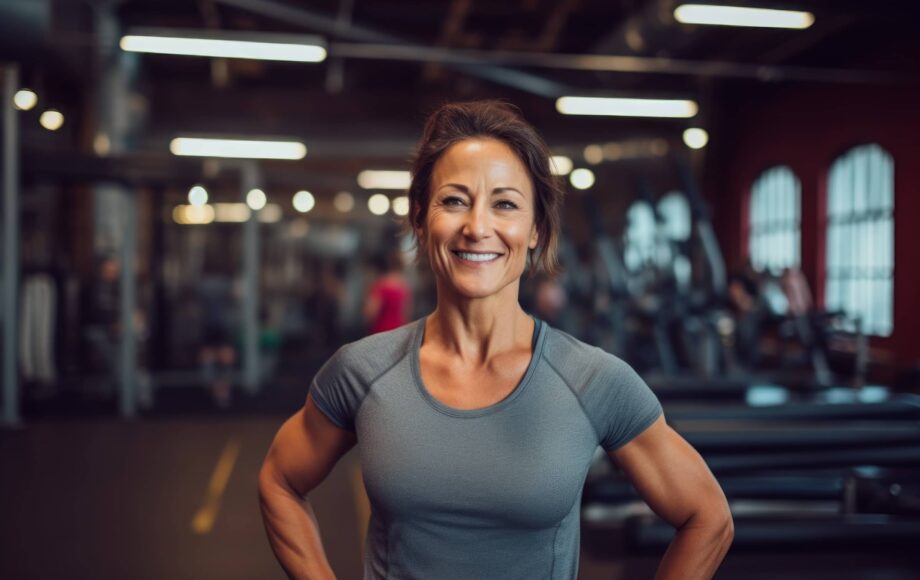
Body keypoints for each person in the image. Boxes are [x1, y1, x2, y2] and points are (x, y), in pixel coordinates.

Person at [258, 101, 733, 580]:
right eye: (454, 200)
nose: (477, 227)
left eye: (504, 204)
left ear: (536, 231)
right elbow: (279, 480)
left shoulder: (593, 379)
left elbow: (707, 518)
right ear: (421, 220)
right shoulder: (362, 370)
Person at [363, 249, 413, 335]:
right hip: (398, 332)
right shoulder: (404, 286)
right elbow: (406, 314)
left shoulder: (380, 285)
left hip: (380, 332)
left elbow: (370, 314)